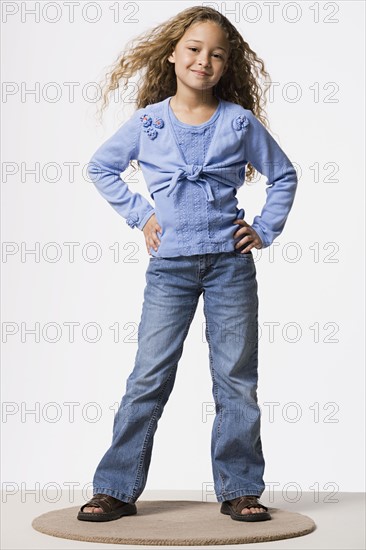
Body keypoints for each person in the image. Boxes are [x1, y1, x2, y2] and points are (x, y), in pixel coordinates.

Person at [77, 5, 298, 523]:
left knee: (236, 379)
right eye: (195, 49)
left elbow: (284, 176)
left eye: (217, 54)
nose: (204, 60)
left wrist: (263, 229)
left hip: (229, 267)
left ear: (228, 66)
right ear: (174, 54)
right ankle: (115, 487)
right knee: (148, 377)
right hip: (170, 270)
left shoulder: (240, 122)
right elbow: (101, 167)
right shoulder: (149, 122)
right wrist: (141, 215)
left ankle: (240, 488)